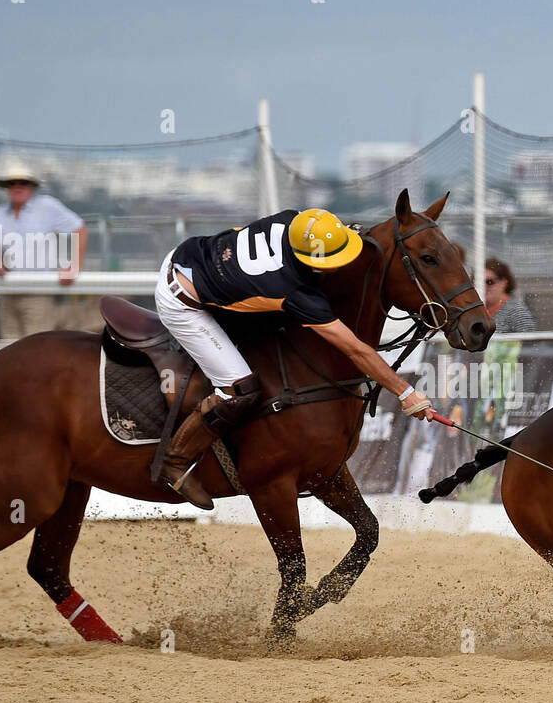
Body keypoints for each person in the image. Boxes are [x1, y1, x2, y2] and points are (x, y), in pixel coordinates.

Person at [155, 207, 435, 509]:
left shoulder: (299, 219)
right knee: (237, 388)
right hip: (181, 300)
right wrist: (405, 393)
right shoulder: (290, 290)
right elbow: (355, 349)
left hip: (195, 256)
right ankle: (176, 461)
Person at [0, 164, 89, 338]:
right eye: (12, 183)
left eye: (23, 183)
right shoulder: (1, 212)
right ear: (7, 187)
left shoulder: (47, 206)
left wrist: (74, 266)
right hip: (8, 291)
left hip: (38, 292)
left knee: (36, 348)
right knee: (7, 349)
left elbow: (79, 229)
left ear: (32, 186)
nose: (17, 187)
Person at [483, 258, 536, 332]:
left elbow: (528, 342)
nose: (484, 287)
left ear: (503, 283)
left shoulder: (517, 313)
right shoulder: (473, 313)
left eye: (489, 282)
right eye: (479, 282)